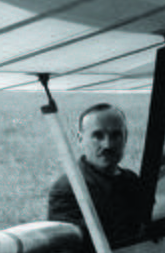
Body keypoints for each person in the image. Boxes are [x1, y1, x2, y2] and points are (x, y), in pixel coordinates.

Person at [48, 103, 148, 245]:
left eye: (116, 135)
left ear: (126, 137)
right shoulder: (68, 189)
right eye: (97, 136)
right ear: (80, 139)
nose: (108, 145)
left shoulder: (132, 180)